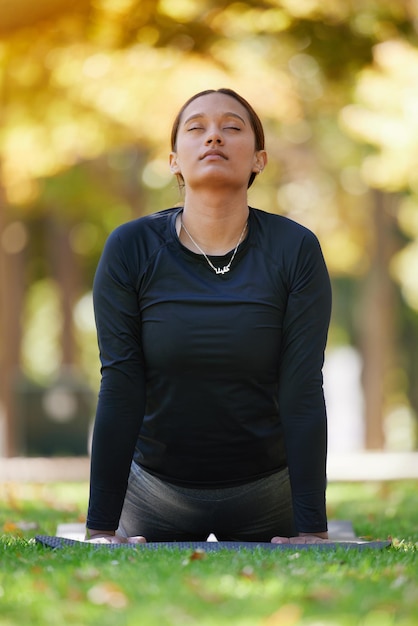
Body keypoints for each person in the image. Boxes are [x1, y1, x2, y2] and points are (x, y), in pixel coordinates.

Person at [85, 88, 332, 545]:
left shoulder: (295, 249)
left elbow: (302, 387)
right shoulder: (130, 247)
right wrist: (100, 530)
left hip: (268, 492)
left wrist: (313, 532)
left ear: (259, 159)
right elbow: (120, 382)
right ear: (175, 160)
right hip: (155, 493)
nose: (213, 137)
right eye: (196, 128)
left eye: (232, 128)